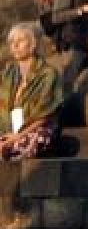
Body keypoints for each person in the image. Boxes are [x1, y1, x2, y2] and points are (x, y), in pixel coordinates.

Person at [0, 24, 63, 161]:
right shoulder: (7, 74)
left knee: (23, 144)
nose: (15, 45)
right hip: (8, 130)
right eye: (12, 42)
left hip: (36, 130)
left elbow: (45, 114)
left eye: (20, 40)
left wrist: (18, 136)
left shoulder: (48, 74)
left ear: (33, 44)